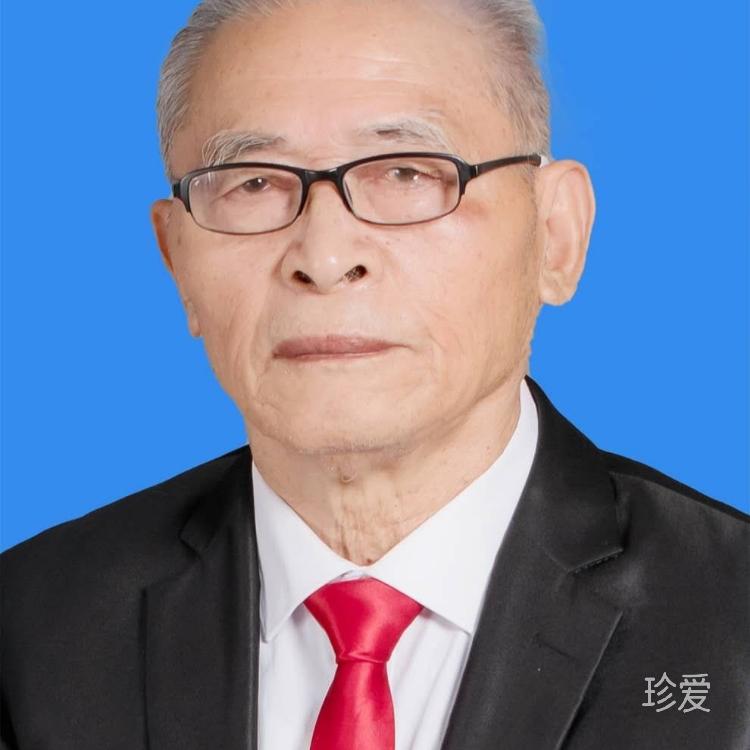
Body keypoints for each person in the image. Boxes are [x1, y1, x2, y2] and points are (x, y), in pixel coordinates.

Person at [1, 0, 748, 748]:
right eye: (253, 184)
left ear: (556, 235)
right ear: (176, 262)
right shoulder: (28, 630)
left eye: (406, 172)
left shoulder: (731, 617)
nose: (325, 258)